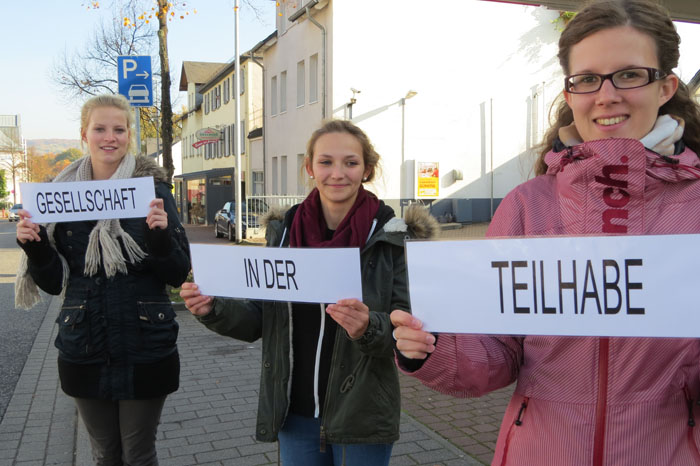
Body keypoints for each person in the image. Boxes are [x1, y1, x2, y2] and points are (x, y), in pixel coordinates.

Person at [391, 1, 700, 464]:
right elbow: (497, 351)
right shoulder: (527, 205)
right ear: (570, 92)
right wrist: (432, 349)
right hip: (540, 450)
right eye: (588, 79)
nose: (606, 94)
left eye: (630, 74)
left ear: (665, 87)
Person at [180, 119, 437, 466]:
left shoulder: (392, 238)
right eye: (326, 162)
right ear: (310, 168)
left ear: (367, 169)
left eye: (351, 162)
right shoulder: (284, 233)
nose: (338, 173)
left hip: (362, 415)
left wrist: (368, 327)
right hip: (294, 412)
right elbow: (259, 319)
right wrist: (213, 308)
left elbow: (411, 327)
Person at [15, 94, 191, 466]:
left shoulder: (153, 191)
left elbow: (176, 271)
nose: (109, 137)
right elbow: (54, 282)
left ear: (130, 135)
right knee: (105, 455)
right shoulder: (59, 195)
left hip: (146, 343)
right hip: (84, 345)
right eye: (100, 129)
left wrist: (159, 238)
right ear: (84, 134)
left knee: (139, 455)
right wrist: (36, 248)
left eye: (118, 129)